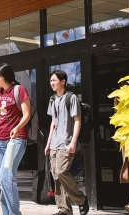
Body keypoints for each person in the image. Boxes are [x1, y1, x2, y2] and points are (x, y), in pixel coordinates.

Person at [0, 63, 31, 215]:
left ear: (3, 76)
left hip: (15, 140)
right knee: (2, 181)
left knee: (6, 178)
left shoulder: (19, 90)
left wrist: (18, 127)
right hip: (0, 141)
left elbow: (27, 114)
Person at [45, 70, 90, 215]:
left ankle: (81, 199)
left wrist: (73, 142)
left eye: (54, 80)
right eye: (51, 81)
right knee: (56, 176)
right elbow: (53, 122)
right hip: (54, 143)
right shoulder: (52, 99)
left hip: (66, 142)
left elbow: (77, 121)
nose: (52, 83)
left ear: (63, 81)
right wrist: (48, 143)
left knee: (61, 171)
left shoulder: (71, 98)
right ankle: (64, 209)